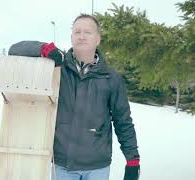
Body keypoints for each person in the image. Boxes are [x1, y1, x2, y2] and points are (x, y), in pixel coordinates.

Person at [8, 14, 140, 180]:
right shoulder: (57, 68)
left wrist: (133, 160)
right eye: (77, 32)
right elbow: (14, 49)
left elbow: (123, 122)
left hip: (97, 167)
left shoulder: (111, 78)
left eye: (88, 32)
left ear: (98, 39)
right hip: (63, 165)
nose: (82, 36)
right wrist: (44, 49)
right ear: (71, 37)